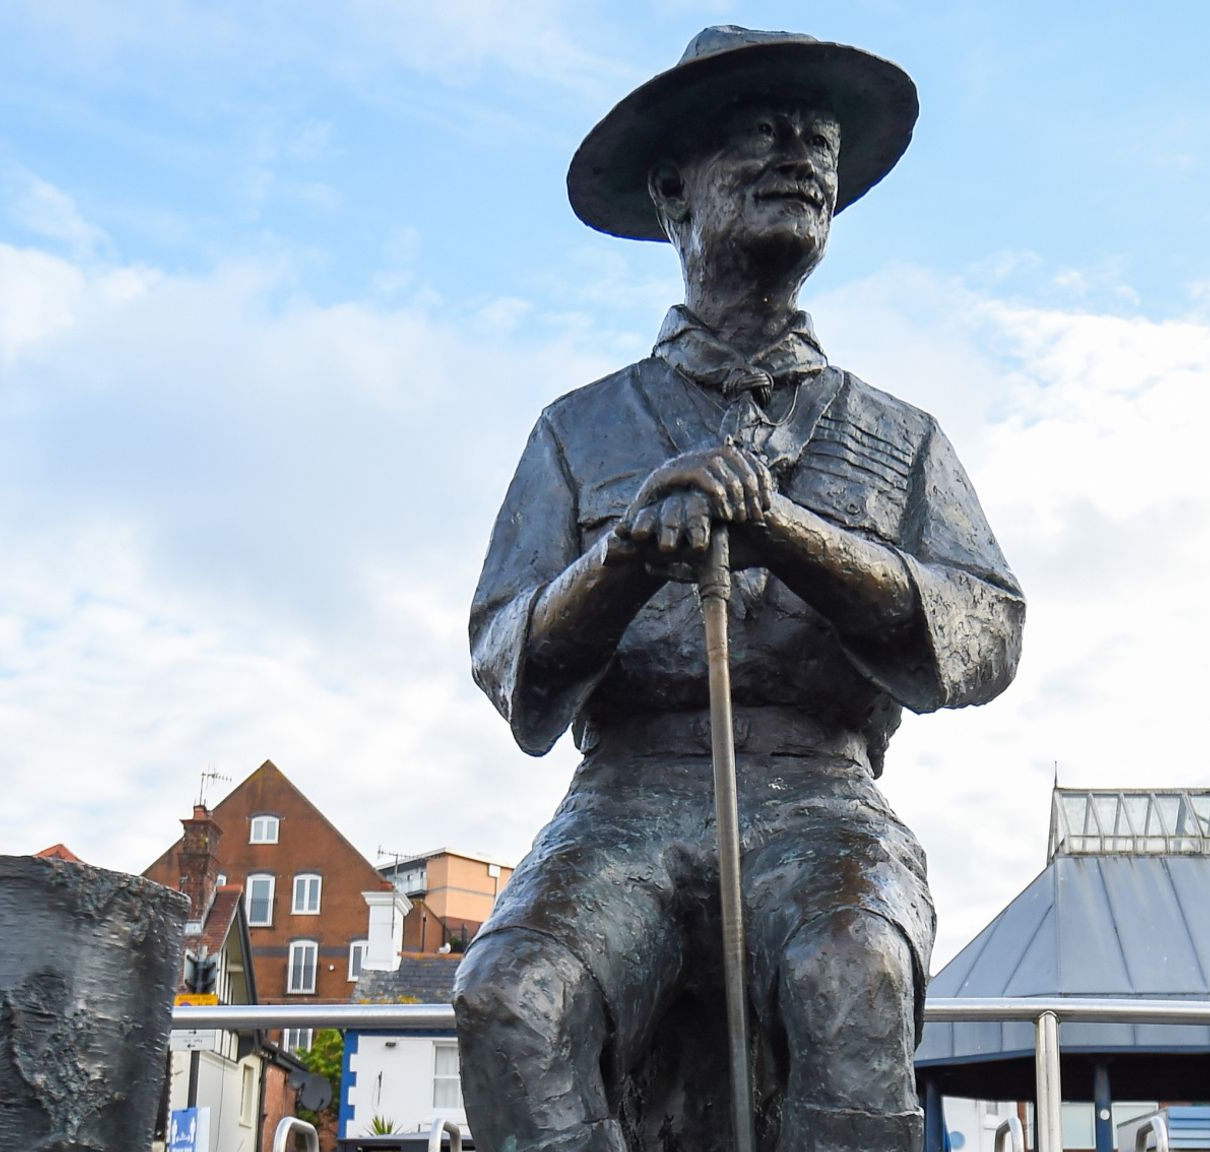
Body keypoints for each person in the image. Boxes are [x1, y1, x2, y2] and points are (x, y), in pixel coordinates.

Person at [458, 26, 1024, 1152]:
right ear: (674, 187)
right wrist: (625, 557)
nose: (800, 154)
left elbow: (984, 635)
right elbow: (509, 664)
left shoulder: (897, 437)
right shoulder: (578, 432)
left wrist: (787, 533)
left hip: (820, 797)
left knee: (854, 972)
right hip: (623, 799)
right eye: (759, 132)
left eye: (815, 139)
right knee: (508, 997)